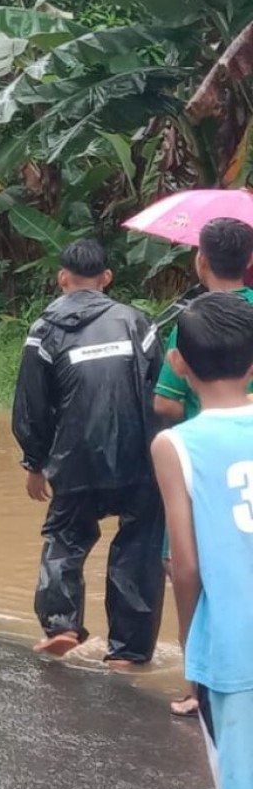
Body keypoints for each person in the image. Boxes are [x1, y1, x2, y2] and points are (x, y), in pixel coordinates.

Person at [12, 239, 165, 665]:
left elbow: (32, 405)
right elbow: (161, 390)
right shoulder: (138, 323)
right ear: (107, 279)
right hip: (140, 460)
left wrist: (34, 462)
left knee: (64, 538)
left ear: (62, 278)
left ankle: (62, 623)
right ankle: (128, 652)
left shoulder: (43, 330)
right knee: (138, 548)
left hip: (75, 460)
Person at [150, 292, 253, 789]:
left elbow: (184, 567)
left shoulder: (175, 446)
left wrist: (191, 648)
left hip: (233, 653)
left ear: (179, 363)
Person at [154, 217, 253, 717]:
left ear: (201, 261)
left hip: (200, 465)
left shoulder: (188, 324)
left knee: (186, 565)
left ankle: (196, 683)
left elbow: (165, 405)